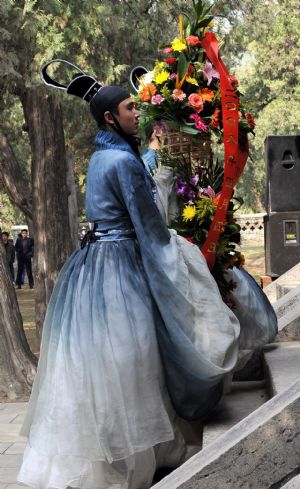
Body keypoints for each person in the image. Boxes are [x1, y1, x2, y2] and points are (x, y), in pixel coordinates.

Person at [17, 62, 276, 489]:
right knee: (137, 358)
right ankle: (139, 455)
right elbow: (150, 226)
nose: (138, 114)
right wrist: (183, 253)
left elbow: (129, 187)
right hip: (121, 267)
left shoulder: (102, 158)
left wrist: (153, 153)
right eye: (130, 109)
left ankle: (102, 457)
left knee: (106, 365)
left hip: (90, 269)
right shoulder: (122, 161)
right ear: (109, 118)